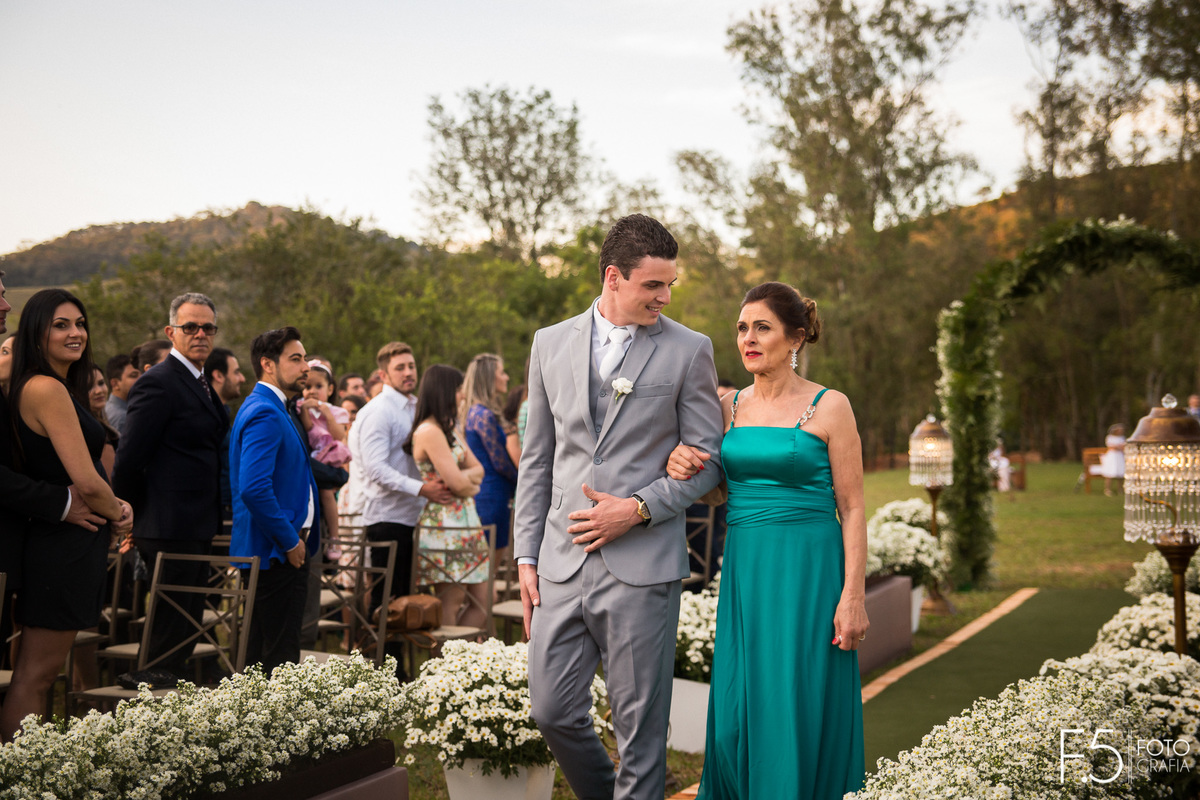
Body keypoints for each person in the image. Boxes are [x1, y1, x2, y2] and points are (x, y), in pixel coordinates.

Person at [513, 214, 725, 799]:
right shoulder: (549, 343)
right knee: (552, 710)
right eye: (653, 285)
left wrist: (635, 508)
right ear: (613, 277)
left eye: (669, 286)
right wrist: (525, 558)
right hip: (559, 563)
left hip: (642, 564)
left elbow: (708, 459)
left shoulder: (689, 350)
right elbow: (538, 460)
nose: (664, 296)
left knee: (641, 731)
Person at [666, 281, 868, 798]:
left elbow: (853, 508)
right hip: (746, 569)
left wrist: (853, 596)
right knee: (738, 707)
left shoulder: (831, 406)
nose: (748, 339)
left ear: (796, 338)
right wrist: (681, 464)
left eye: (762, 328)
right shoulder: (728, 406)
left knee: (797, 698)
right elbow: (716, 495)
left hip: (810, 572)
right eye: (741, 328)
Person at [0, 288, 133, 740]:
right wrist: (119, 511)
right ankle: (21, 773)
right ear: (37, 331)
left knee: (36, 673)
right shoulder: (46, 388)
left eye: (79, 323)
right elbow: (87, 480)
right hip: (62, 548)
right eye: (61, 324)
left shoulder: (50, 386)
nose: (75, 332)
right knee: (36, 676)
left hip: (65, 542)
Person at [112, 292, 228, 684]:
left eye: (207, 327)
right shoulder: (159, 382)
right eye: (190, 326)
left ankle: (169, 711)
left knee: (188, 623)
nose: (200, 334)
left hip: (196, 522)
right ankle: (145, 708)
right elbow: (129, 458)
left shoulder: (200, 380)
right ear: (171, 332)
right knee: (170, 627)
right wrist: (132, 515)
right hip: (166, 524)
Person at [230, 327, 320, 673]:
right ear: (268, 364)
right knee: (277, 660)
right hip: (276, 552)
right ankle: (276, 728)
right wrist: (289, 540)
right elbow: (253, 487)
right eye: (295, 359)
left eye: (305, 358)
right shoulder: (264, 411)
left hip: (281, 550)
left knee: (266, 655)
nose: (306, 367)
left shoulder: (275, 407)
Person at [349, 343, 454, 617]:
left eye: (411, 366)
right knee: (387, 606)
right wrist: (422, 488)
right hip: (387, 520)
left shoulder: (416, 406)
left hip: (414, 517)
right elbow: (376, 469)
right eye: (400, 368)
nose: (408, 373)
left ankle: (401, 661)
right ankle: (379, 661)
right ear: (383, 375)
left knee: (408, 607)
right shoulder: (378, 412)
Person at [407, 364, 490, 628]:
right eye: (458, 390)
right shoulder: (429, 431)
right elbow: (457, 483)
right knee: (450, 603)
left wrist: (465, 484)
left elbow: (479, 470)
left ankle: (460, 659)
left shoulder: (450, 429)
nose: (462, 396)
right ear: (443, 391)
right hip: (445, 525)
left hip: (466, 521)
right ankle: (443, 666)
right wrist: (463, 483)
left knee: (484, 600)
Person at [463, 353, 518, 568]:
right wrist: (523, 480)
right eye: (501, 373)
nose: (506, 377)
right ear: (488, 378)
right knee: (488, 567)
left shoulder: (475, 412)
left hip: (491, 493)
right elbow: (500, 462)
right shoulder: (483, 415)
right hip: (492, 494)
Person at [298, 360, 352, 545]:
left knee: (327, 494)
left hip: (329, 456)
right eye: (307, 386)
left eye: (318, 386)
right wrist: (305, 409)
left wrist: (326, 413)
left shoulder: (337, 412)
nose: (312, 391)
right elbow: (308, 428)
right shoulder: (301, 408)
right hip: (313, 456)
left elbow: (339, 435)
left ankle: (334, 536)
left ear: (330, 389)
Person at [204, 347, 246, 521]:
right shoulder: (206, 418)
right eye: (236, 372)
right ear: (218, 376)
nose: (242, 378)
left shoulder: (222, 415)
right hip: (219, 514)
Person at [87, 365, 119, 476]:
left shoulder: (103, 422)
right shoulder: (92, 431)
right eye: (89, 387)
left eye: (101, 383)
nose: (98, 391)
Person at [104, 353, 139, 435]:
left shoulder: (107, 409)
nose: (141, 379)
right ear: (115, 384)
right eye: (133, 376)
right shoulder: (122, 418)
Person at [1100, 422, 1127, 496]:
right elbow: (1111, 447)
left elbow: (1123, 447)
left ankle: (1120, 489)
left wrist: (1118, 447)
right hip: (1112, 457)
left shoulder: (1122, 438)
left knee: (1121, 474)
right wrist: (1118, 447)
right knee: (1110, 473)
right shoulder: (1110, 437)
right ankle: (1107, 489)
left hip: (1120, 457)